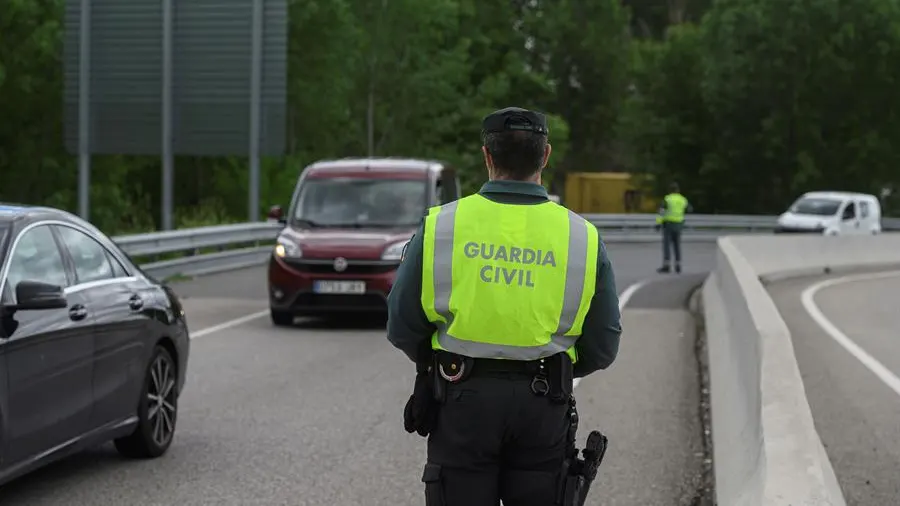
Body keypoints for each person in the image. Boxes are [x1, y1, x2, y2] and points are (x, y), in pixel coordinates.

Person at [386, 106, 623, 506]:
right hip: (544, 403)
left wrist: (442, 363)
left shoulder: (443, 225)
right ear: (545, 156)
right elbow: (602, 346)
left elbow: (402, 325)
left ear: (487, 156)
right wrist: (554, 365)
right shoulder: (581, 236)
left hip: (462, 400)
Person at [655, 182, 692, 274]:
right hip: (679, 225)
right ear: (678, 190)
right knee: (677, 245)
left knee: (667, 245)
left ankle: (666, 265)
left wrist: (658, 223)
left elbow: (661, 211)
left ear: (670, 190)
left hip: (669, 224)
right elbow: (690, 209)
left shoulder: (668, 199)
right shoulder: (683, 199)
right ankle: (678, 265)